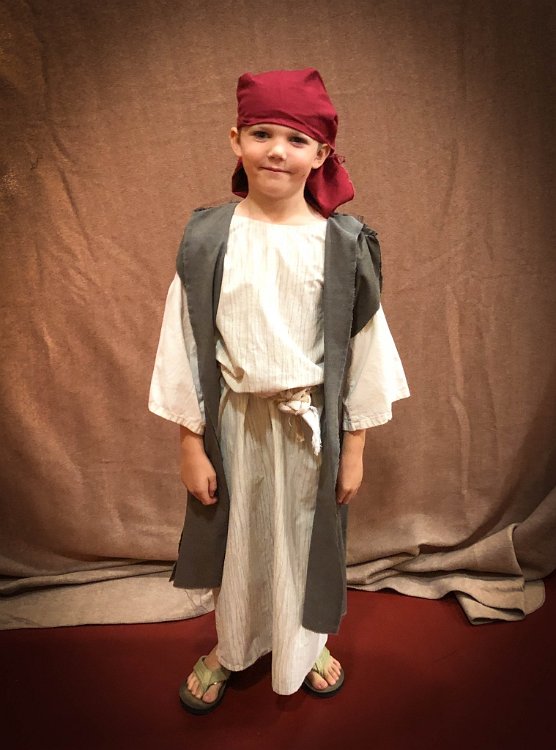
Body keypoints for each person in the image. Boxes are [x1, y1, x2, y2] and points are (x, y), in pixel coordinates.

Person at [149, 68, 409, 714]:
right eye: (262, 134)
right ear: (235, 140)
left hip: (309, 429)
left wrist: (355, 448)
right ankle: (232, 646)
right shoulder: (210, 238)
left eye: (296, 140)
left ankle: (304, 644)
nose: (277, 151)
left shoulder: (341, 245)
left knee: (301, 543)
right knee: (239, 541)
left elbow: (366, 350)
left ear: (322, 154)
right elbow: (183, 342)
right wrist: (189, 443)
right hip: (235, 423)